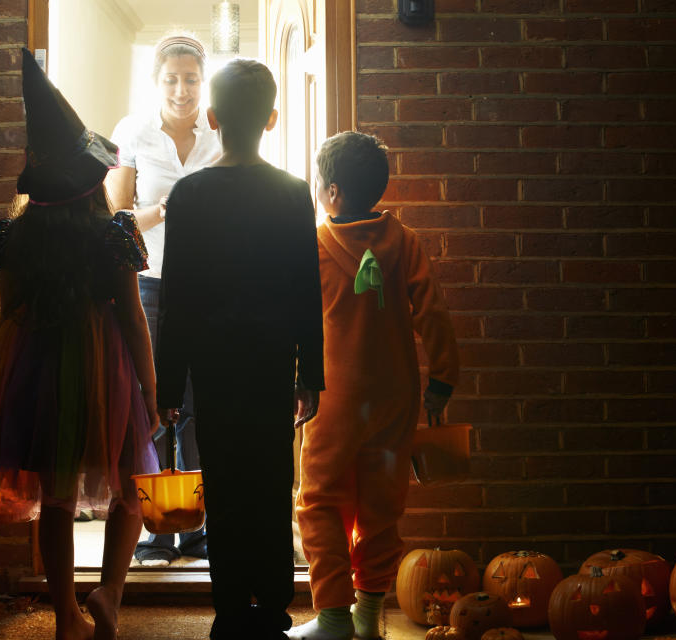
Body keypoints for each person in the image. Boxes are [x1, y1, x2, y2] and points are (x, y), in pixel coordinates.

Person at [0, 49, 160, 640]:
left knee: (55, 497)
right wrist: (151, 387)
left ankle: (66, 615)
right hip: (105, 367)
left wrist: (10, 383)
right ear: (92, 177)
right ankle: (112, 593)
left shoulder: (9, 238)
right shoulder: (115, 233)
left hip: (36, 363)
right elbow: (132, 317)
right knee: (130, 488)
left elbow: (7, 314)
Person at [156, 58, 324, 639]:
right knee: (272, 484)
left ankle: (229, 610)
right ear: (272, 119)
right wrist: (312, 374)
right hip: (273, 361)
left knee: (224, 482)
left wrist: (167, 385)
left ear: (211, 117)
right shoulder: (293, 192)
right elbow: (309, 289)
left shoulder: (190, 194)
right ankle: (274, 606)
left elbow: (175, 296)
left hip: (215, 365)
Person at [287, 132, 460, 640]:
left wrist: (295, 380)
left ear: (333, 192)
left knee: (320, 500)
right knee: (381, 506)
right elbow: (434, 312)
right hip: (396, 397)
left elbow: (296, 322)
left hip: (333, 397)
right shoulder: (404, 241)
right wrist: (444, 379)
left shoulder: (314, 245)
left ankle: (335, 617)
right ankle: (368, 613)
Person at [104, 33, 221, 564]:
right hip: (147, 284)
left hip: (208, 284)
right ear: (157, 82)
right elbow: (117, 218)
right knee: (151, 401)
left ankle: (194, 524)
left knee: (197, 404)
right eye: (171, 79)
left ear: (204, 81)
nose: (182, 90)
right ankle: (156, 528)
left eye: (191, 79)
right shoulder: (132, 132)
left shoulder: (219, 134)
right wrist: (169, 209)